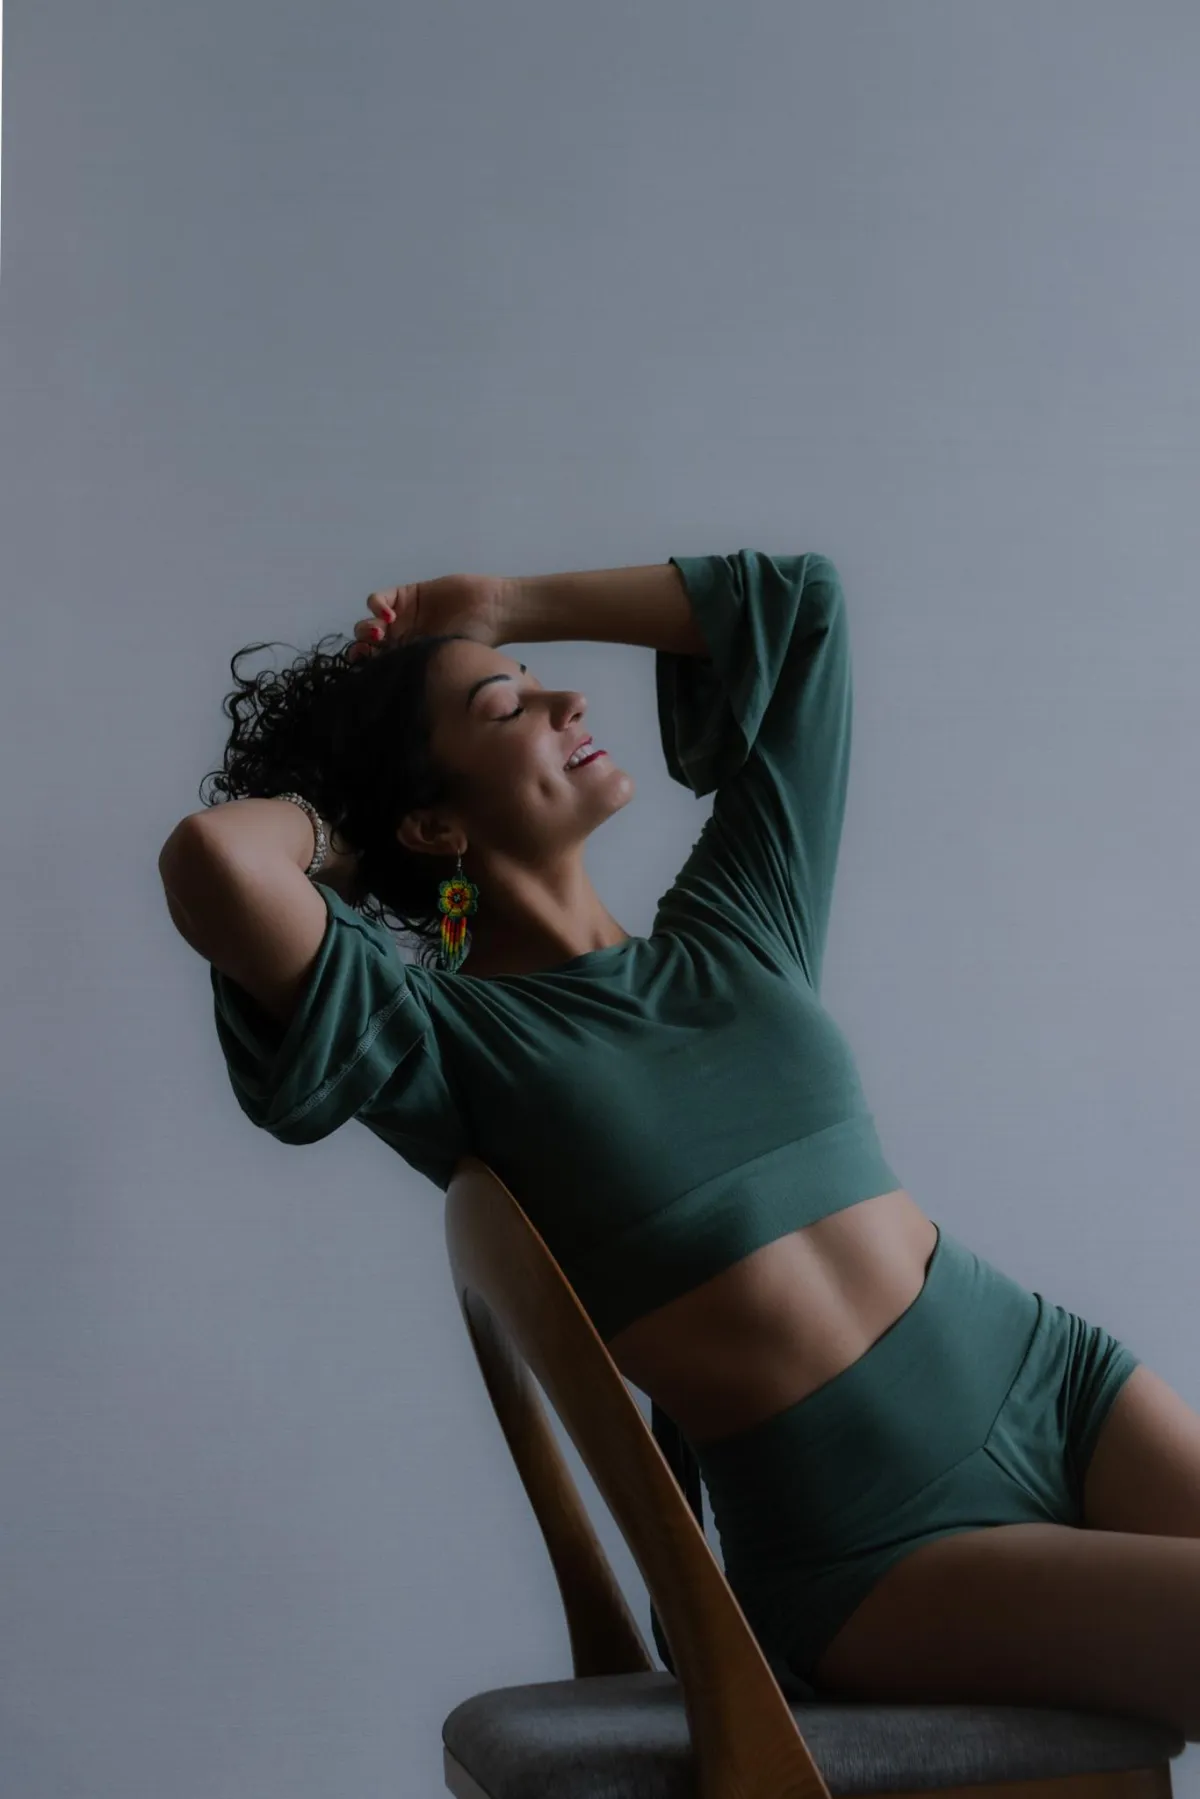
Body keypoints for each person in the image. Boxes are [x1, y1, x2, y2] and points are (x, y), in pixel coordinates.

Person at [158, 551, 1200, 1734]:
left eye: (540, 682)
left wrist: (503, 605)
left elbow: (803, 611)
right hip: (869, 1551)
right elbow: (214, 859)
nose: (569, 700)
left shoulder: (738, 923)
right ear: (434, 818)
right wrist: (341, 829)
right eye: (506, 705)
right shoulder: (444, 1042)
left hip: (1062, 1382)